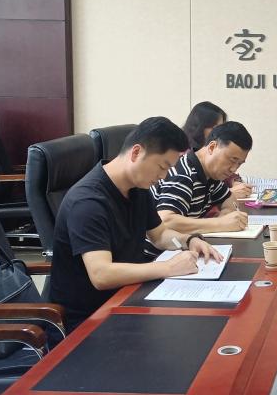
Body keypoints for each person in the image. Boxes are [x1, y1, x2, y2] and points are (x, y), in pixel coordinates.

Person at [48, 117, 222, 331]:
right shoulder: (87, 202)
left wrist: (189, 240)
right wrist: (168, 268)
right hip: (90, 320)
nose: (163, 177)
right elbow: (101, 275)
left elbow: (159, 235)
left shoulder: (137, 188)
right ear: (136, 152)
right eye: (162, 167)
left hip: (128, 297)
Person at [154, 121, 254, 233]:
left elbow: (229, 199)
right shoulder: (183, 175)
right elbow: (166, 221)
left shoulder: (211, 174)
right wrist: (220, 223)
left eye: (239, 163)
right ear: (212, 147)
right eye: (232, 160)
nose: (234, 169)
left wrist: (226, 214)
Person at [181, 102, 252, 200]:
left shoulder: (212, 165)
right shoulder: (184, 159)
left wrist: (235, 181)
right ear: (199, 127)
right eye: (216, 127)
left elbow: (227, 178)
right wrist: (229, 194)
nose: (221, 131)